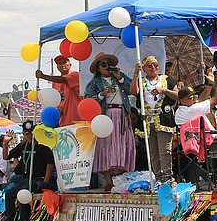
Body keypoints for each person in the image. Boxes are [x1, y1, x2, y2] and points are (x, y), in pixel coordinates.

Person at [84, 52, 137, 190]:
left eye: (109, 63)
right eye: (103, 64)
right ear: (98, 68)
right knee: (106, 145)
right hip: (105, 117)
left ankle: (124, 179)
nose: (107, 66)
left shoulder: (119, 76)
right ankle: (108, 181)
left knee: (123, 144)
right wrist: (102, 94)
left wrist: (120, 79)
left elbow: (133, 90)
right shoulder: (94, 83)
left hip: (122, 115)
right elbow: (87, 101)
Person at [129, 55, 178, 182]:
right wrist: (135, 73)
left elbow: (178, 95)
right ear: (144, 68)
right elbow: (134, 92)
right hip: (148, 119)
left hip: (162, 119)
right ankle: (158, 178)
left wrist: (164, 90)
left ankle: (167, 178)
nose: (153, 68)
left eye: (155, 65)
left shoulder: (166, 79)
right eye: (150, 66)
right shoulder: (142, 80)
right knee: (153, 153)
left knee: (164, 151)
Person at [2, 120, 54, 221]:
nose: (29, 136)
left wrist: (45, 182)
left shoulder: (42, 145)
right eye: (26, 134)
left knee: (23, 192)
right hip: (26, 178)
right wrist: (5, 143)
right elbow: (6, 156)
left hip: (39, 178)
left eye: (31, 133)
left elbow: (50, 164)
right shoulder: (23, 145)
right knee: (9, 193)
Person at [36, 55, 82, 125]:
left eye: (64, 62)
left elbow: (63, 80)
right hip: (63, 121)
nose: (62, 65)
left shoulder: (75, 75)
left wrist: (43, 76)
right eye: (59, 63)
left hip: (77, 119)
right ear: (57, 67)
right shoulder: (55, 83)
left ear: (70, 64)